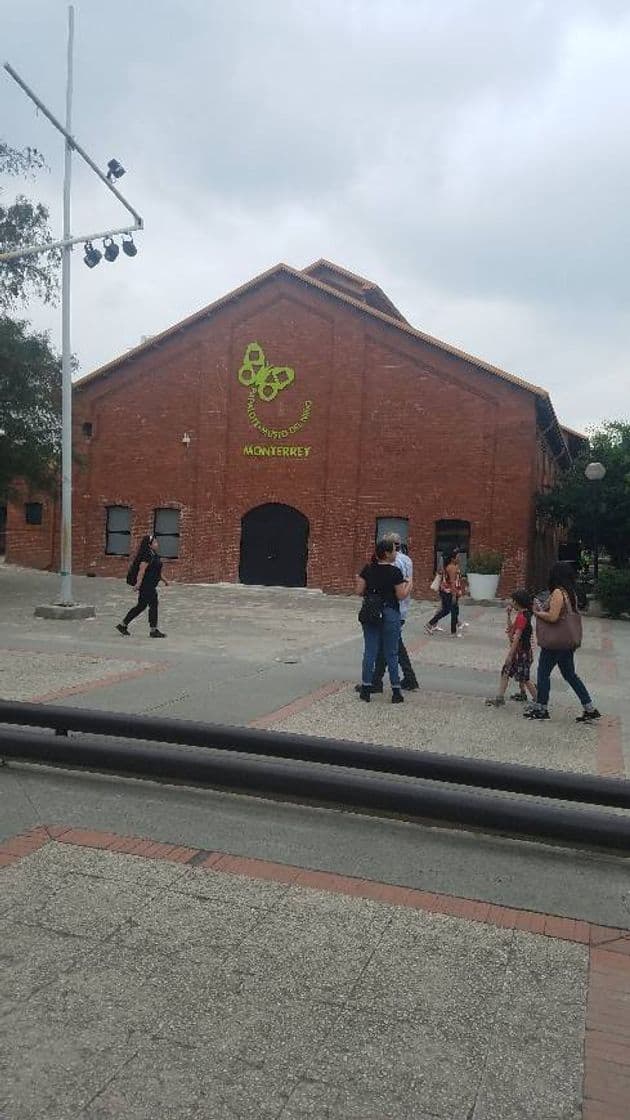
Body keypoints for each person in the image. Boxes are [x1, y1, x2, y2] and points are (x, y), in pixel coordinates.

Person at [524, 562, 600, 722]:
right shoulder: (571, 592)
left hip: (555, 642)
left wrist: (537, 613)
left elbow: (553, 616)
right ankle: (589, 708)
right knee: (570, 675)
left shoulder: (559, 592)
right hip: (567, 641)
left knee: (543, 673)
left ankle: (541, 708)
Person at [356, 539, 411, 703]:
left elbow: (359, 591)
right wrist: (410, 586)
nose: (396, 554)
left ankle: (366, 688)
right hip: (390, 612)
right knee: (391, 652)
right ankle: (396, 691)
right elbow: (401, 595)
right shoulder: (395, 572)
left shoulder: (368, 569)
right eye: (394, 551)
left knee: (370, 651)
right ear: (386, 553)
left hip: (371, 612)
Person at [367, 533, 419, 692]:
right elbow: (408, 582)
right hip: (402, 608)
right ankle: (407, 679)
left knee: (387, 646)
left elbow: (391, 586)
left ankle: (377, 682)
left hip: (390, 608)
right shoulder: (407, 560)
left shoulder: (393, 561)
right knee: (393, 644)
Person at [485, 589, 537, 707]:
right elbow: (512, 629)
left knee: (524, 677)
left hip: (520, 651)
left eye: (513, 601)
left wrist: (510, 655)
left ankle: (538, 700)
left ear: (518, 602)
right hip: (522, 651)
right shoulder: (524, 614)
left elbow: (516, 637)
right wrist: (508, 615)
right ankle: (502, 697)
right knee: (507, 672)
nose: (511, 602)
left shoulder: (522, 617)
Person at [117, 534, 168, 638]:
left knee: (141, 606)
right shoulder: (147, 555)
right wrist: (138, 584)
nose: (157, 544)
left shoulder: (154, 554)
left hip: (150, 585)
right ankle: (153, 630)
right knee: (153, 604)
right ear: (149, 545)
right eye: (155, 542)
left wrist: (165, 580)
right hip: (147, 585)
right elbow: (141, 570)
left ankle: (123, 625)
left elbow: (157, 570)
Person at [425, 549, 465, 637]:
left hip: (446, 591)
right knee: (453, 611)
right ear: (452, 558)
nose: (459, 558)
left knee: (446, 610)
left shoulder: (452, 566)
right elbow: (452, 582)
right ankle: (453, 632)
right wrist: (454, 595)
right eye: (457, 557)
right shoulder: (452, 567)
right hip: (449, 592)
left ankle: (429, 624)